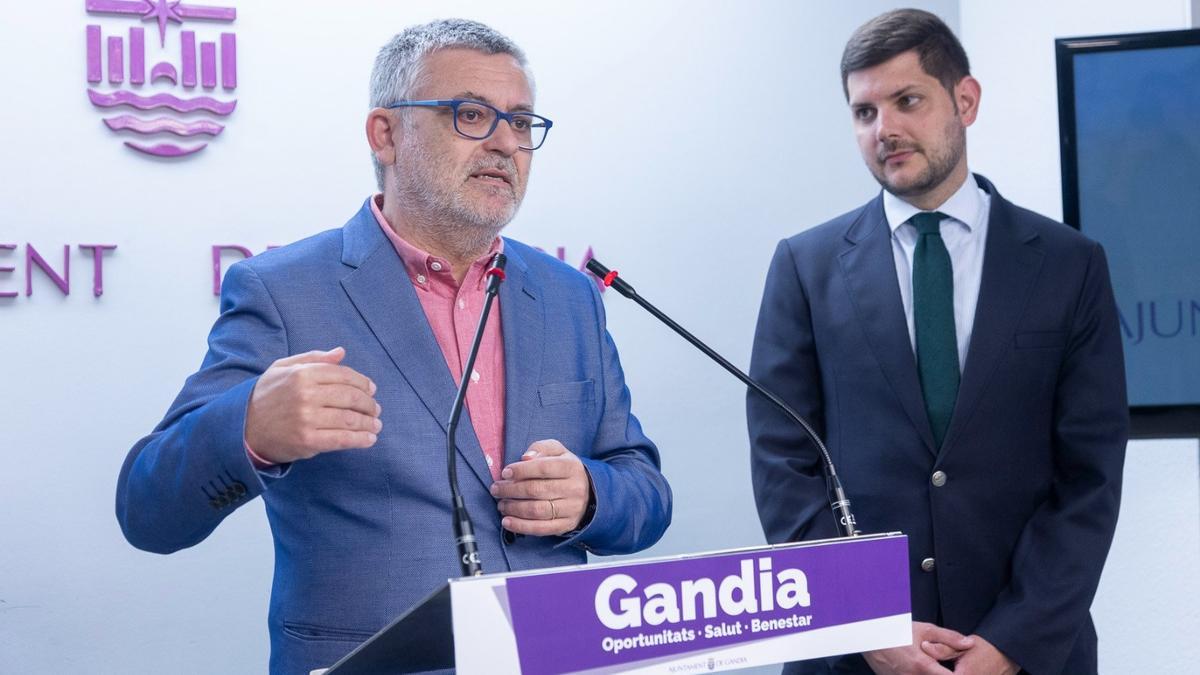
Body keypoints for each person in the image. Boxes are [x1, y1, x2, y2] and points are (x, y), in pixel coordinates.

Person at [116, 18, 671, 674]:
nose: (504, 144)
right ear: (386, 133)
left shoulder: (567, 296)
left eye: (521, 123)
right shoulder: (282, 291)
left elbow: (645, 490)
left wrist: (590, 494)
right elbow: (147, 511)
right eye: (471, 114)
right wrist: (249, 426)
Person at [747, 9, 1126, 675]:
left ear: (966, 100)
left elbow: (1089, 477)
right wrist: (864, 622)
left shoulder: (1070, 265)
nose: (884, 128)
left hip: (1032, 653)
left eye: (907, 101)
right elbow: (785, 470)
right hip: (855, 658)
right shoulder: (804, 267)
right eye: (863, 112)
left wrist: (1012, 640)